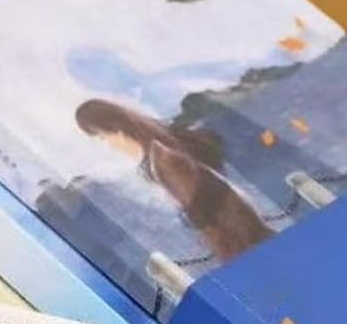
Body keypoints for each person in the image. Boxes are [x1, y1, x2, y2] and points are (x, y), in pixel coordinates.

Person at [75, 98, 272, 262]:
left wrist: (231, 261)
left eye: (102, 138)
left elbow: (212, 219)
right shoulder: (162, 155)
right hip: (253, 243)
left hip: (251, 249)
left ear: (116, 131)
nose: (108, 146)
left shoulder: (166, 162)